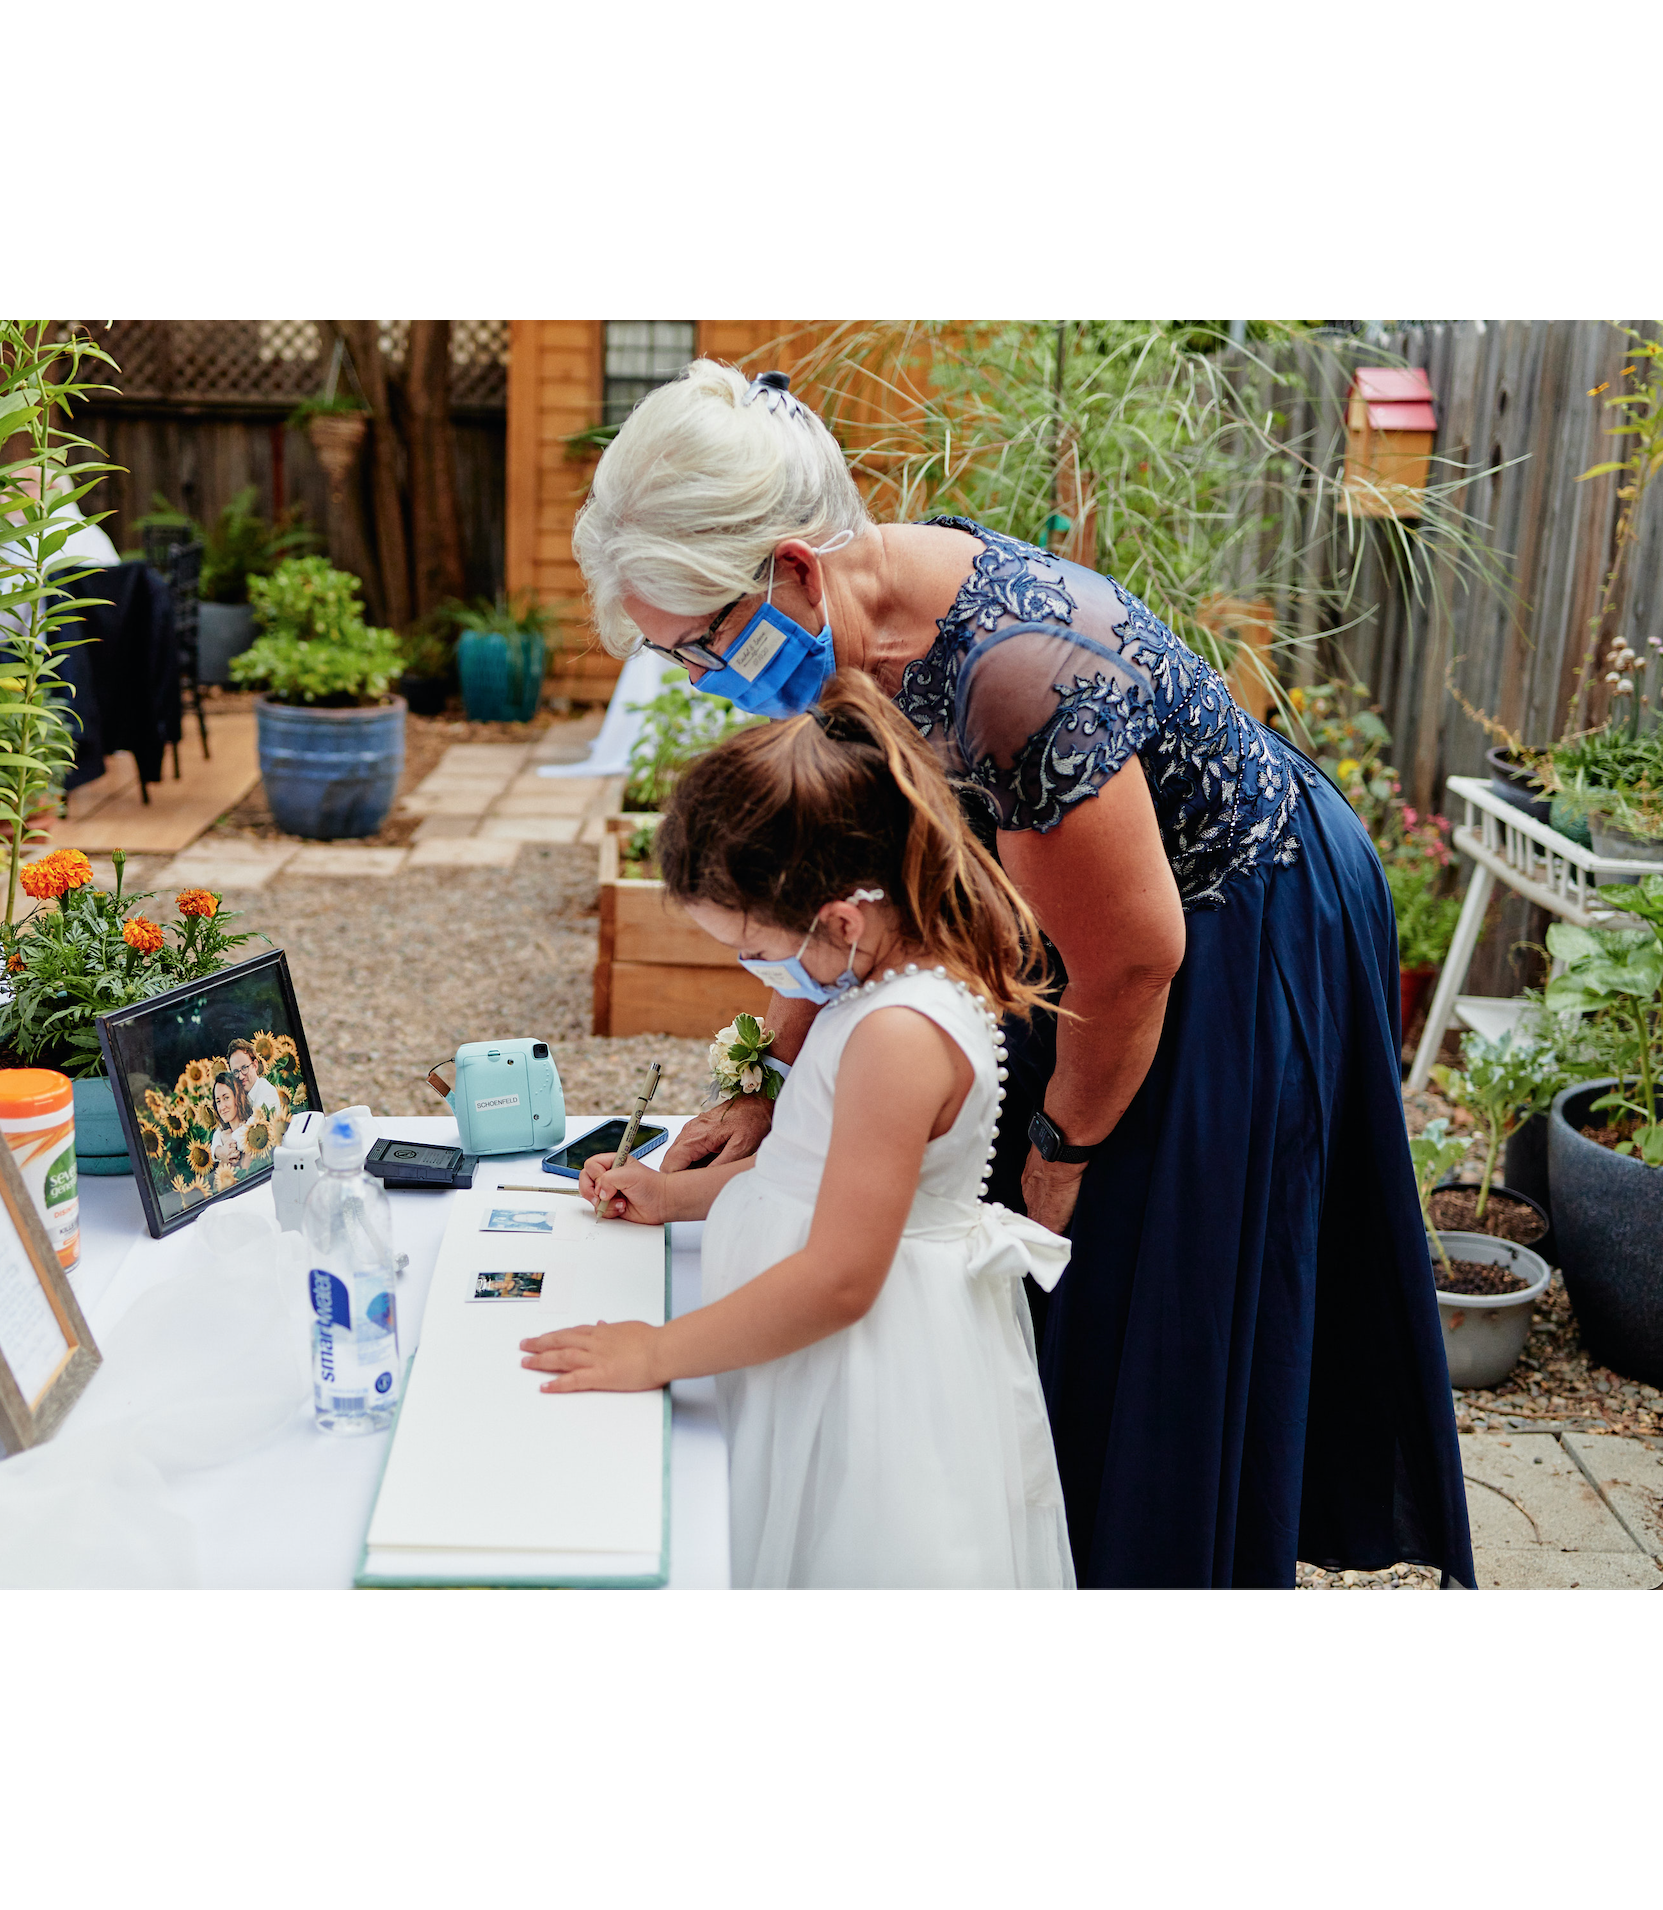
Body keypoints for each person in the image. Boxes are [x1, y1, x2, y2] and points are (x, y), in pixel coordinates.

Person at [568, 358, 1474, 1591]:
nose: (699, 681)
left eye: (696, 648)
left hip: (1228, 928)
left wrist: (1058, 1150)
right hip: (1095, 925)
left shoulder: (1014, 671)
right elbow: (827, 885)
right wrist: (768, 1078)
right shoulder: (845, 630)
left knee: (1132, 1280)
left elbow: (1135, 958)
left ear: (787, 570)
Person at [523, 673, 1075, 1590]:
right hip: (822, 1361)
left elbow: (840, 1277)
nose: (757, 972)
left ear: (841, 919)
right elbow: (806, 1170)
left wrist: (655, 1351)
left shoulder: (897, 1036)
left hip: (866, 1383)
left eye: (760, 950)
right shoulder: (872, 993)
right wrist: (673, 1195)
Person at [226, 1038, 282, 1136]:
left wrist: (226, 1137)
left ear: (255, 1065)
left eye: (244, 1068)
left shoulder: (266, 1091)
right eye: (235, 1072)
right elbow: (221, 1129)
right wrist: (218, 1147)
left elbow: (250, 1134)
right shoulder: (238, 1095)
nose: (240, 1076)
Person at [208, 1070, 252, 1172]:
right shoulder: (222, 1137)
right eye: (218, 1101)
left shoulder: (250, 1131)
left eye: (226, 1098)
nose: (222, 1107)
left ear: (237, 1097)